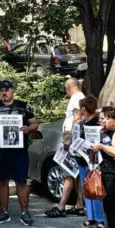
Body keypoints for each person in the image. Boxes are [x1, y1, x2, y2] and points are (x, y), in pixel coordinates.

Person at [0, 80, 39, 226]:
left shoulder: (23, 106)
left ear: (13, 90)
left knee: (21, 181)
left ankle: (24, 212)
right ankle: (4, 212)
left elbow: (35, 123)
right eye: (1, 90)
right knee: (1, 181)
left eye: (7, 90)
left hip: (19, 150)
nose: (4, 92)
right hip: (1, 151)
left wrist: (28, 129)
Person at [45, 79, 86, 218]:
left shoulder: (76, 98)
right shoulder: (81, 97)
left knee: (68, 173)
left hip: (72, 142)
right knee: (77, 175)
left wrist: (67, 141)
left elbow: (77, 119)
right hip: (76, 141)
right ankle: (79, 205)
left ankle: (61, 206)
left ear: (68, 87)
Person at [75, 97, 105, 228]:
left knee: (95, 188)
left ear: (84, 109)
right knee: (86, 188)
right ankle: (90, 217)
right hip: (82, 159)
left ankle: (99, 218)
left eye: (81, 107)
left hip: (93, 160)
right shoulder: (82, 122)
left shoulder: (96, 123)